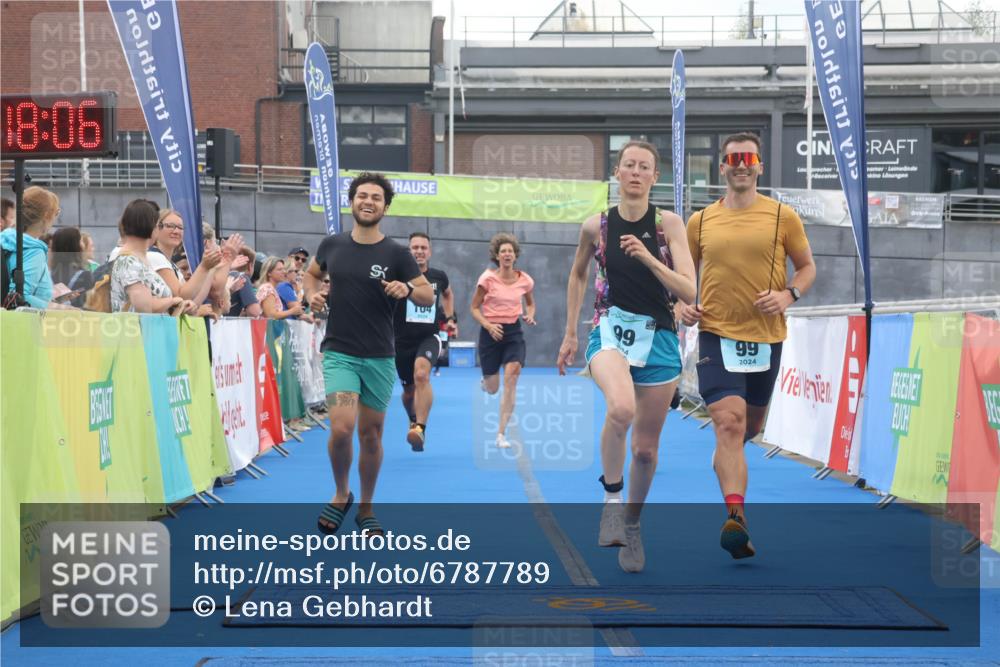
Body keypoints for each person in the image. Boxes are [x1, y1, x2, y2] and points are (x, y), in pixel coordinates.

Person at [556, 140, 697, 573]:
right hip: (610, 329)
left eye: (644, 167)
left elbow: (689, 290)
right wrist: (570, 332)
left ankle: (631, 526)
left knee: (646, 451)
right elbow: (577, 274)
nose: (636, 172)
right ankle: (612, 501)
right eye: (629, 165)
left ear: (655, 177)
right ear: (617, 173)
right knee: (620, 408)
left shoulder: (668, 224)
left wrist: (651, 259)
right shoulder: (595, 226)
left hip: (659, 338)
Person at [680, 132, 816, 559]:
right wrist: (681, 304)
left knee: (748, 429)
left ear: (759, 167)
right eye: (733, 159)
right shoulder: (701, 221)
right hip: (715, 334)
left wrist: (789, 295)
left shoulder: (782, 217)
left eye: (749, 159)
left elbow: (807, 268)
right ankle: (736, 518)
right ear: (722, 167)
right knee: (729, 422)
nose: (741, 165)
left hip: (766, 337)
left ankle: (727, 459)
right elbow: (682, 276)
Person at [303, 172, 433, 536]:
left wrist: (407, 289)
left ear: (385, 207)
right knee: (342, 427)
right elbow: (311, 276)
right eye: (362, 195)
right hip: (340, 354)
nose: (368, 201)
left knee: (371, 435)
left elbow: (427, 295)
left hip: (379, 356)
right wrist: (311, 294)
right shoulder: (332, 245)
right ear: (352, 202)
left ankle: (366, 508)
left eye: (376, 197)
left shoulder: (397, 254)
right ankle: (341, 493)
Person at [393, 232, 458, 452]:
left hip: (429, 337)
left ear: (429, 252)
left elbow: (448, 294)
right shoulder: (399, 275)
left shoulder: (438, 276)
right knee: (408, 392)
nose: (419, 251)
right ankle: (413, 419)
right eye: (415, 247)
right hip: (401, 340)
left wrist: (449, 318)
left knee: (421, 374)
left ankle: (420, 428)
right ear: (409, 251)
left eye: (423, 248)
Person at [471, 233, 536, 449]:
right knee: (493, 388)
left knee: (511, 377)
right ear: (497, 256)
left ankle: (500, 434)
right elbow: (474, 308)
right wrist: (488, 325)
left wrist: (530, 314)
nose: (507, 254)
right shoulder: (487, 279)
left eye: (510, 251)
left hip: (513, 333)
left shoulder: (525, 280)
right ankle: (487, 383)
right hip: (490, 333)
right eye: (503, 251)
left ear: (515, 255)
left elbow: (530, 303)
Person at [110, 199, 197, 315]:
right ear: (150, 226)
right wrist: (172, 301)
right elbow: (144, 307)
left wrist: (177, 305)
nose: (158, 229)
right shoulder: (129, 262)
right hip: (139, 326)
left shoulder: (135, 260)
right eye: (159, 225)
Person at [1, 186, 59, 308]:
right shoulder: (34, 251)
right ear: (46, 215)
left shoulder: (5, 239)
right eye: (56, 213)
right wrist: (57, 308)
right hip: (25, 319)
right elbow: (18, 296)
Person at [49, 227, 95, 308]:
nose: (83, 245)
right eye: (80, 241)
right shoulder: (85, 276)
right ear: (75, 246)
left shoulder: (47, 274)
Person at [256, 257, 303, 321]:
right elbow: (271, 315)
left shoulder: (271, 288)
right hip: (266, 327)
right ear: (269, 273)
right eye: (279, 269)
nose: (284, 272)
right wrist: (292, 311)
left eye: (284, 269)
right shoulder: (267, 288)